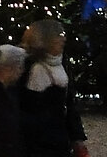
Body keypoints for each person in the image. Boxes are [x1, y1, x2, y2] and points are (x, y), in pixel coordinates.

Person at [20, 19, 87, 157]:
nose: (63, 39)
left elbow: (69, 104)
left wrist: (77, 138)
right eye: (59, 35)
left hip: (60, 139)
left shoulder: (61, 62)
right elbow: (27, 108)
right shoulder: (29, 68)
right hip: (40, 143)